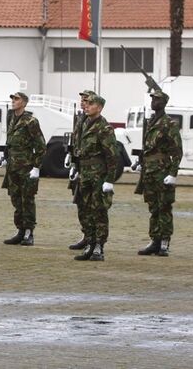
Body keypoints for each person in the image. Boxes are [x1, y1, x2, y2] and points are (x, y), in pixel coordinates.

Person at [134, 90, 182, 257]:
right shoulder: (150, 122)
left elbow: (177, 151)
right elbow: (147, 147)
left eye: (157, 99)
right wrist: (140, 162)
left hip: (162, 170)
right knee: (153, 207)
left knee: (164, 207)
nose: (153, 101)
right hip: (149, 171)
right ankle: (155, 240)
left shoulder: (169, 123)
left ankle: (164, 242)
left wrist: (173, 173)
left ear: (164, 103)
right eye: (152, 99)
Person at [72, 94, 119, 262]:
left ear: (99, 107)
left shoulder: (104, 128)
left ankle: (99, 246)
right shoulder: (84, 124)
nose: (87, 106)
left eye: (91, 104)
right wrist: (75, 167)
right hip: (85, 174)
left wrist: (109, 179)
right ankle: (90, 244)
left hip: (98, 175)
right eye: (87, 103)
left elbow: (112, 156)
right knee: (86, 210)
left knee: (99, 211)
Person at [1, 91, 46, 247]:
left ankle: (28, 232)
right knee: (15, 199)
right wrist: (5, 156)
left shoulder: (30, 121)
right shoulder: (11, 117)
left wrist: (36, 167)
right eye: (12, 99)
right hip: (12, 167)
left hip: (26, 166)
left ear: (24, 103)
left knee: (27, 199)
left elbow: (40, 146)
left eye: (17, 99)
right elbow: (10, 140)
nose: (13, 101)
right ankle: (20, 230)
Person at [68, 90, 95, 250]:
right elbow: (76, 141)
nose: (82, 103)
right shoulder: (80, 119)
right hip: (79, 166)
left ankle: (93, 238)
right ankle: (86, 235)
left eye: (86, 100)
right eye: (82, 100)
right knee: (80, 202)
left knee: (90, 205)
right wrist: (71, 159)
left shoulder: (94, 121)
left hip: (91, 169)